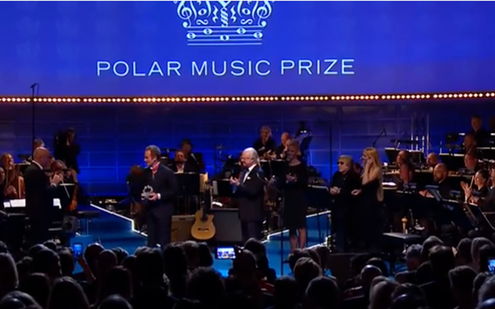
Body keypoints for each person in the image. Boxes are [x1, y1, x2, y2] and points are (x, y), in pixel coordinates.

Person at [23, 147, 63, 246]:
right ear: (40, 158)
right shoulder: (36, 171)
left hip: (36, 212)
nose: (50, 160)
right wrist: (54, 184)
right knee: (40, 241)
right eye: (48, 157)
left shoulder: (32, 170)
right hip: (39, 213)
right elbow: (45, 193)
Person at [142, 145, 178, 248]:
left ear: (154, 158)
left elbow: (174, 191)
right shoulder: (146, 172)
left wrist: (158, 196)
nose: (145, 160)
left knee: (164, 242)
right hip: (150, 211)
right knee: (150, 243)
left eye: (147, 157)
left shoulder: (167, 172)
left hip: (164, 212)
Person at [230, 147, 265, 241]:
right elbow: (242, 189)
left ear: (252, 159)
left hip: (253, 214)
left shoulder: (258, 172)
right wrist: (235, 186)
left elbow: (253, 191)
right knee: (245, 241)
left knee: (253, 242)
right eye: (242, 158)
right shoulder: (244, 172)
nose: (242, 160)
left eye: (245, 158)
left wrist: (239, 185)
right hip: (244, 213)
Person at [352, 147, 383, 251]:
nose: (363, 158)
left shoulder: (376, 169)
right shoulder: (367, 169)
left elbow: (366, 183)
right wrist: (359, 191)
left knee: (370, 228)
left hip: (371, 203)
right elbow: (365, 187)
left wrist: (367, 167)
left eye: (365, 156)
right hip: (363, 201)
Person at [279, 141, 308, 252]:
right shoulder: (285, 166)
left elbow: (305, 183)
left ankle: (302, 251)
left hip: (299, 199)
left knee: (300, 226)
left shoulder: (302, 166)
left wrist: (296, 180)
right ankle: (293, 251)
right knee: (291, 227)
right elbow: (280, 182)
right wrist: (285, 180)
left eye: (292, 151)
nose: (290, 153)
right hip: (289, 198)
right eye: (288, 151)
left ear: (296, 152)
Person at [330, 155, 361, 252]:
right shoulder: (336, 175)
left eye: (341, 163)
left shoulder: (354, 177)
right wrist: (331, 191)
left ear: (348, 165)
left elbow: (353, 193)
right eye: (338, 163)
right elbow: (332, 186)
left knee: (346, 235)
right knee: (338, 232)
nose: (339, 165)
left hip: (349, 211)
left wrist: (341, 192)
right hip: (337, 208)